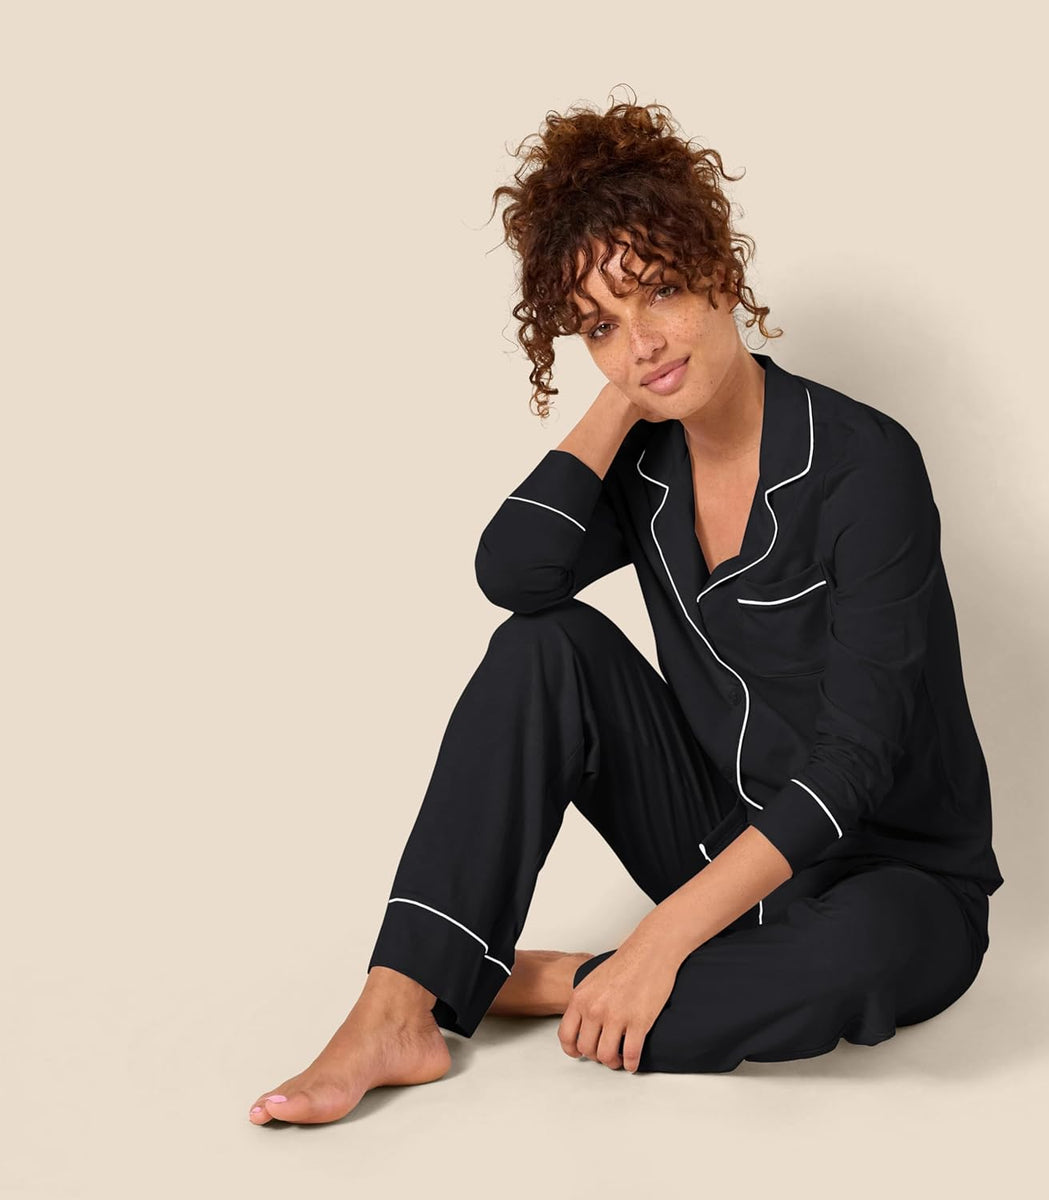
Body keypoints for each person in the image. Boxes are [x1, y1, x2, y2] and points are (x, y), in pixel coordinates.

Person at [247, 94, 1003, 1125]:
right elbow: (515, 574)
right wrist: (625, 389)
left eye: (661, 291)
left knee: (830, 966)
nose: (641, 340)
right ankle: (398, 1007)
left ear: (721, 274)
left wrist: (654, 943)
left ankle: (553, 976)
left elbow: (853, 765)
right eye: (600, 325)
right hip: (719, 844)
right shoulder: (646, 464)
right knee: (541, 647)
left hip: (891, 882)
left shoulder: (866, 466)